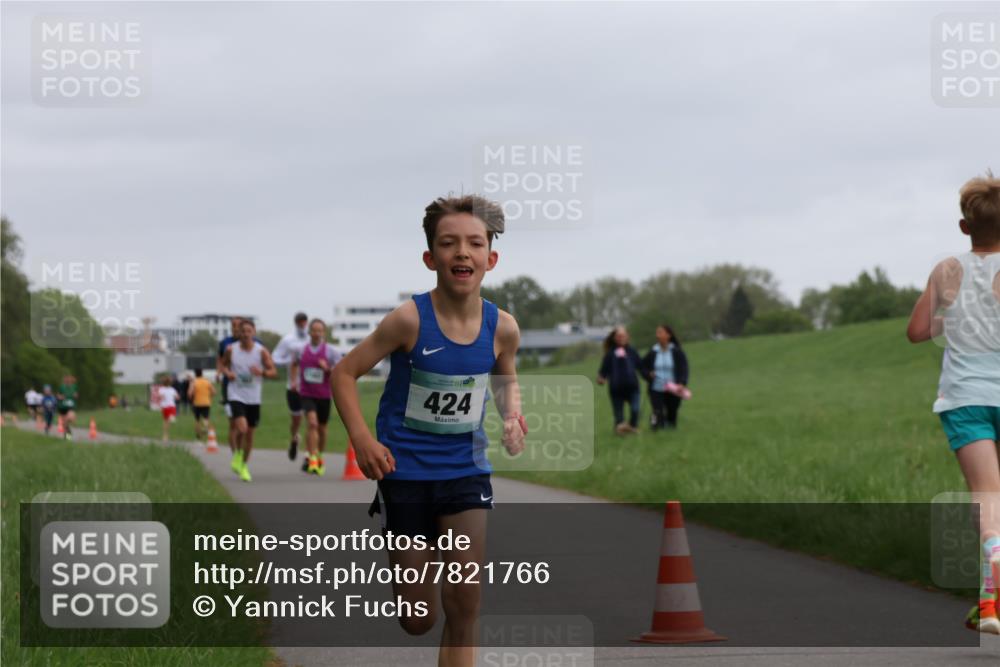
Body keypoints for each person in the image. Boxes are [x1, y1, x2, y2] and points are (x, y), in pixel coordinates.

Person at [332, 194, 525, 667]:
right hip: (406, 475)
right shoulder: (408, 321)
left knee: (465, 607)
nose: (463, 252)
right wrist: (363, 440)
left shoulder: (503, 327)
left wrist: (512, 416)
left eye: (475, 243)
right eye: (449, 243)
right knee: (418, 617)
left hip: (466, 473)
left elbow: (505, 376)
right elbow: (343, 373)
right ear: (430, 257)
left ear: (491, 259)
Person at [906, 169, 1000, 634]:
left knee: (987, 497)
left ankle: (992, 575)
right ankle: (991, 596)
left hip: (965, 397)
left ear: (965, 227)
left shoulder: (946, 270)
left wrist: (954, 324)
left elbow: (917, 332)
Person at [222, 319, 277, 482]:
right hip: (236, 394)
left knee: (250, 435)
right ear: (238, 333)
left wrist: (262, 373)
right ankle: (237, 455)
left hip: (253, 397)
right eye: (242, 331)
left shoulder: (261, 352)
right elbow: (223, 366)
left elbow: (273, 371)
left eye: (248, 331)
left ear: (253, 333)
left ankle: (243, 465)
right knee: (242, 428)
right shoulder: (231, 350)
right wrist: (227, 373)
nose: (245, 334)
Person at [290, 318, 342, 475]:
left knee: (322, 428)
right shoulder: (301, 350)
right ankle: (312, 459)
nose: (317, 333)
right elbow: (294, 364)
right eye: (314, 330)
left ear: (323, 333)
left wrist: (326, 368)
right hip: (306, 394)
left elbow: (340, 371)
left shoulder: (330, 351)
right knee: (312, 424)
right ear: (309, 332)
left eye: (320, 330)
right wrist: (294, 381)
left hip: (324, 395)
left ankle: (319, 455)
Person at [272, 311, 309, 462]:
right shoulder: (288, 340)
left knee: (312, 420)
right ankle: (294, 438)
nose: (302, 324)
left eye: (304, 321)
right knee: (296, 419)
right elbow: (275, 357)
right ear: (296, 323)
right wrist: (290, 359)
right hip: (293, 386)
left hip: (311, 386)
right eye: (299, 322)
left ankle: (309, 454)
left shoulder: (312, 338)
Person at [641, 324, 690, 430]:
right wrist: (648, 374)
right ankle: (654, 427)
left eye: (660, 332)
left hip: (673, 388)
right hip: (656, 388)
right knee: (656, 411)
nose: (657, 335)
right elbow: (643, 366)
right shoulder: (653, 351)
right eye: (657, 333)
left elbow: (684, 368)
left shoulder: (676, 351)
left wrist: (682, 382)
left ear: (668, 335)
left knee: (672, 410)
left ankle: (671, 427)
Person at [597, 326, 643, 434]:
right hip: (616, 390)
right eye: (619, 336)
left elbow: (641, 367)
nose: (621, 338)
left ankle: (632, 427)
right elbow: (603, 372)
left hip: (633, 388)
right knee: (619, 418)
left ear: (628, 337)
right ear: (614, 338)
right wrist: (601, 379)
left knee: (635, 410)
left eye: (623, 335)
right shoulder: (609, 355)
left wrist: (650, 376)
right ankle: (622, 433)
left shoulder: (632, 351)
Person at [188, 367, 215, 440]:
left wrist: (191, 399)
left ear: (195, 374)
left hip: (197, 403)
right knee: (206, 418)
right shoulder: (207, 381)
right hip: (206, 402)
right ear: (202, 373)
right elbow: (214, 392)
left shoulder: (194, 382)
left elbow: (190, 393)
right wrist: (209, 397)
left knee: (197, 419)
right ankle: (206, 428)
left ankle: (198, 435)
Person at [157, 375, 180, 442]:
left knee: (165, 422)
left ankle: (165, 436)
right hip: (172, 406)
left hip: (164, 407)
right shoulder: (172, 389)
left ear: (163, 382)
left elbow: (159, 397)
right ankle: (172, 417)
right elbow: (178, 397)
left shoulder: (161, 389)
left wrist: (162, 397)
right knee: (170, 419)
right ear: (170, 383)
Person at [56, 374, 78, 440]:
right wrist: (60, 397)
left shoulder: (74, 387)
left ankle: (71, 421)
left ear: (71, 380)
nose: (68, 381)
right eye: (66, 380)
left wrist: (75, 395)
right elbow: (57, 395)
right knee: (65, 424)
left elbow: (76, 395)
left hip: (70, 407)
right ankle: (68, 436)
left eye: (69, 380)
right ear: (64, 380)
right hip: (62, 407)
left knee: (70, 418)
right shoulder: (61, 387)